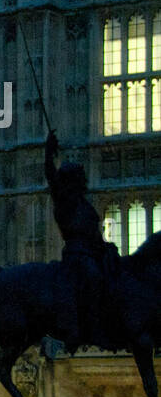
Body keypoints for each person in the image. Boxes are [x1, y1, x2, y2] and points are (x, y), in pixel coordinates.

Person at [44, 131, 119, 351]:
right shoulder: (65, 202)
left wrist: (106, 247)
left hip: (94, 251)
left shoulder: (83, 204)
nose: (83, 180)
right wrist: (49, 152)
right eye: (79, 177)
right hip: (78, 255)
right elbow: (51, 175)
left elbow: (95, 234)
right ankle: (85, 328)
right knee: (94, 277)